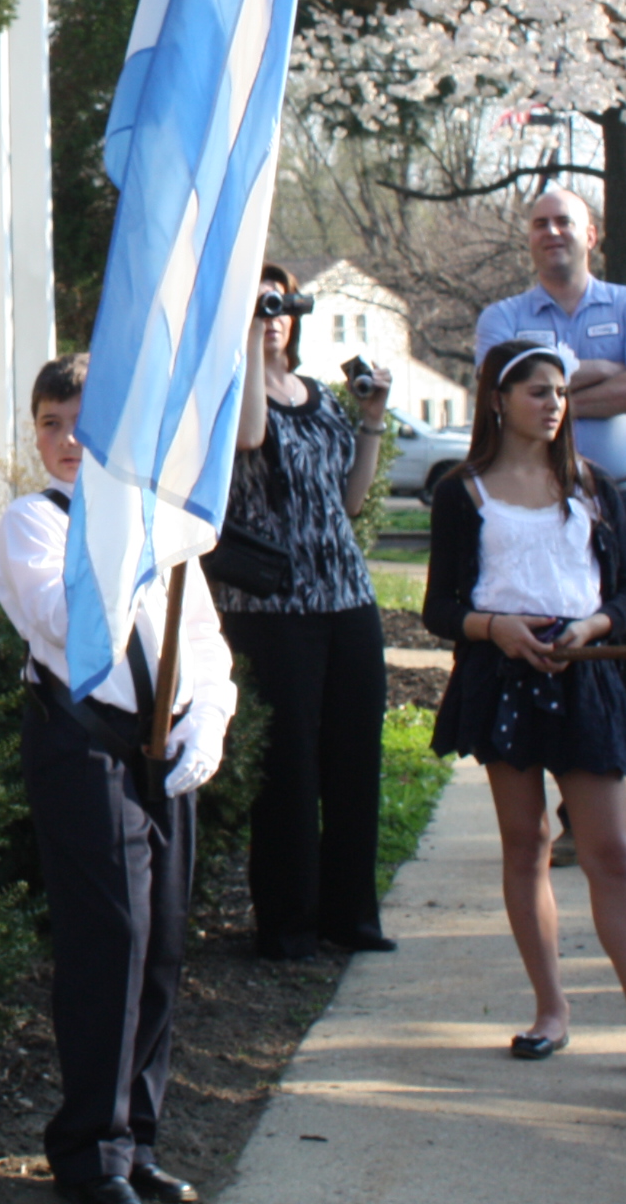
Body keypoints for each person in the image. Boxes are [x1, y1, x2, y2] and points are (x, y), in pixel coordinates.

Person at [0, 353, 234, 1204]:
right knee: (112, 939)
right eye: (50, 425)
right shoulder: (36, 523)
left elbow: (199, 638)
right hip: (81, 742)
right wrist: (128, 536)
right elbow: (68, 622)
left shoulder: (163, 529)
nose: (65, 440)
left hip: (159, 746)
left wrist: (209, 714)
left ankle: (138, 1138)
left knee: (163, 940)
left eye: (82, 424)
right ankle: (90, 1153)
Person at [424, 341, 626, 1069]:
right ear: (497, 400)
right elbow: (441, 606)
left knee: (612, 853)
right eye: (536, 390)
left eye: (559, 391)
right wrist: (495, 628)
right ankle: (550, 1009)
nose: (553, 403)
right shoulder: (462, 490)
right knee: (527, 843)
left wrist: (593, 626)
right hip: (502, 679)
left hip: (584, 674)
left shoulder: (593, 486)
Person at [474, 186, 626, 862]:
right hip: (540, 509)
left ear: (591, 234)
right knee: (558, 659)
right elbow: (497, 401)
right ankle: (578, 823)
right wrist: (596, 370)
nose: (551, 232)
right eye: (539, 224)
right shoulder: (502, 316)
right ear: (528, 238)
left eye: (564, 221)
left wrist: (550, 388)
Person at [212, 262, 393, 960]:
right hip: (269, 605)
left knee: (353, 759)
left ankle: (351, 918)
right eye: (263, 303)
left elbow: (350, 501)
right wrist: (248, 335)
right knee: (289, 768)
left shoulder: (319, 398)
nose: (277, 314)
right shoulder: (232, 393)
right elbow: (251, 438)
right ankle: (288, 923)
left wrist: (371, 420)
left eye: (284, 303)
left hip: (345, 598)